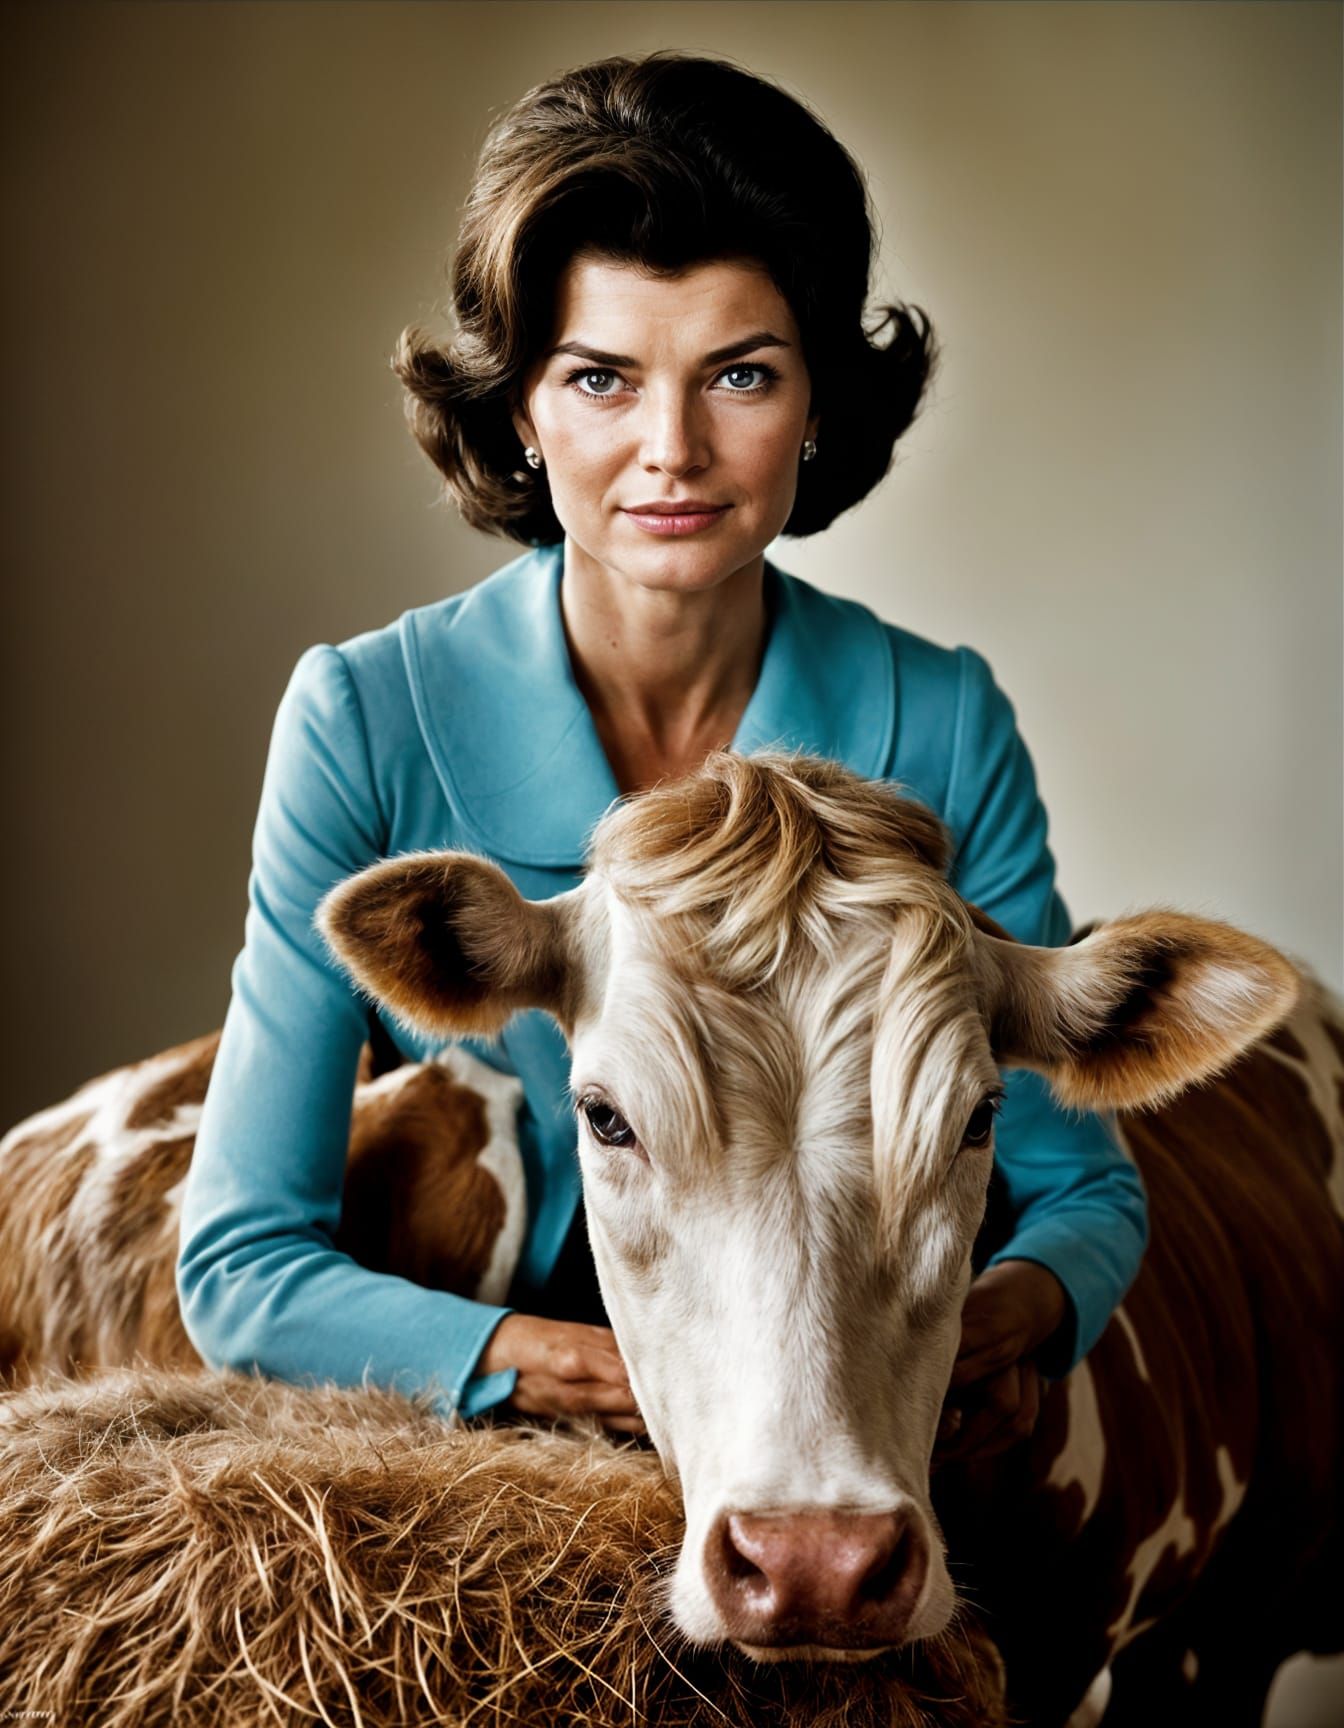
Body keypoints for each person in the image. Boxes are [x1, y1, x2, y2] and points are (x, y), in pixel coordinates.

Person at [176, 51, 1148, 1459]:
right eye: (601, 378)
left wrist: (1005, 1318)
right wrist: (582, 1372)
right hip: (492, 1446)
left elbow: (1084, 1192)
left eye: (739, 374)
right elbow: (241, 1260)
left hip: (842, 1422)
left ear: (818, 402)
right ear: (521, 408)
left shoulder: (941, 719)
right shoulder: (362, 718)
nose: (672, 449)